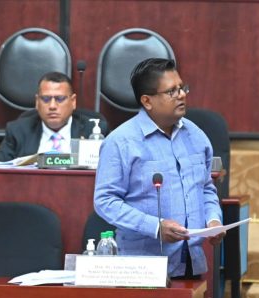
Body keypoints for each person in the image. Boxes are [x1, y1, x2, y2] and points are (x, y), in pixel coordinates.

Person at [94, 58, 225, 279]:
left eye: (182, 88)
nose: (182, 95)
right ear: (147, 101)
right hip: (142, 268)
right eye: (171, 91)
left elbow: (205, 189)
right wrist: (155, 227)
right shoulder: (121, 142)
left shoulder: (196, 136)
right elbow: (105, 201)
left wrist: (213, 220)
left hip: (192, 263)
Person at [0, 71, 108, 161]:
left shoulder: (93, 132)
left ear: (73, 101)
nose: (52, 106)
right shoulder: (18, 131)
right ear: (37, 102)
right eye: (46, 99)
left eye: (60, 99)